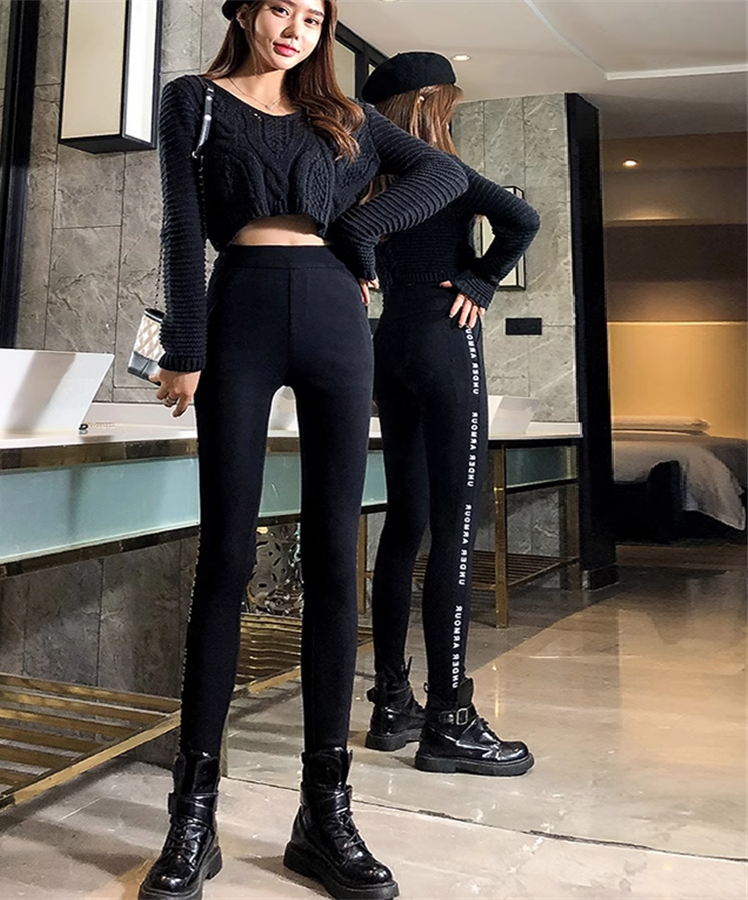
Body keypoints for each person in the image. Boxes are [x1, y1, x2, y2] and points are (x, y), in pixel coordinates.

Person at [139, 9, 469, 900]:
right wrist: (184, 343)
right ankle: (193, 815)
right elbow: (180, 227)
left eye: (314, 15)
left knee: (332, 559)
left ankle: (324, 813)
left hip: (333, 314)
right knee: (227, 559)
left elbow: (443, 173)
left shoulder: (346, 116)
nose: (295, 28)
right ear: (246, 10)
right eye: (281, 8)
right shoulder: (195, 100)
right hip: (239, 308)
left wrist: (361, 234)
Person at [360, 52, 540, 777]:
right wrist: (482, 281)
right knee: (456, 529)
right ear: (426, 104)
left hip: (388, 343)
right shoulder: (447, 172)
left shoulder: (365, 177)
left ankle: (391, 704)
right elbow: (523, 219)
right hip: (444, 338)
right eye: (449, 104)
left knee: (403, 525)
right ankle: (450, 721)